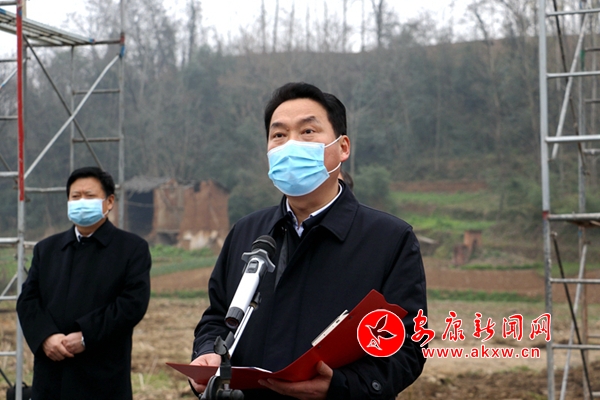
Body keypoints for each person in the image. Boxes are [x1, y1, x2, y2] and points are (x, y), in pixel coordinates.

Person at [190, 82, 427, 399]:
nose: (291, 145)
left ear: (343, 147)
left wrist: (340, 386)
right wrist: (207, 353)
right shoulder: (246, 232)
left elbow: (407, 346)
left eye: (307, 132)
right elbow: (217, 317)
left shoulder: (390, 239)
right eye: (279, 135)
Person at [17, 167, 152, 400]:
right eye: (75, 196)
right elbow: (28, 300)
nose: (81, 202)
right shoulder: (47, 249)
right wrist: (46, 337)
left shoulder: (131, 249)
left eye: (89, 196)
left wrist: (85, 335)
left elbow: (132, 304)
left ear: (109, 202)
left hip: (102, 376)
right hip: (51, 376)